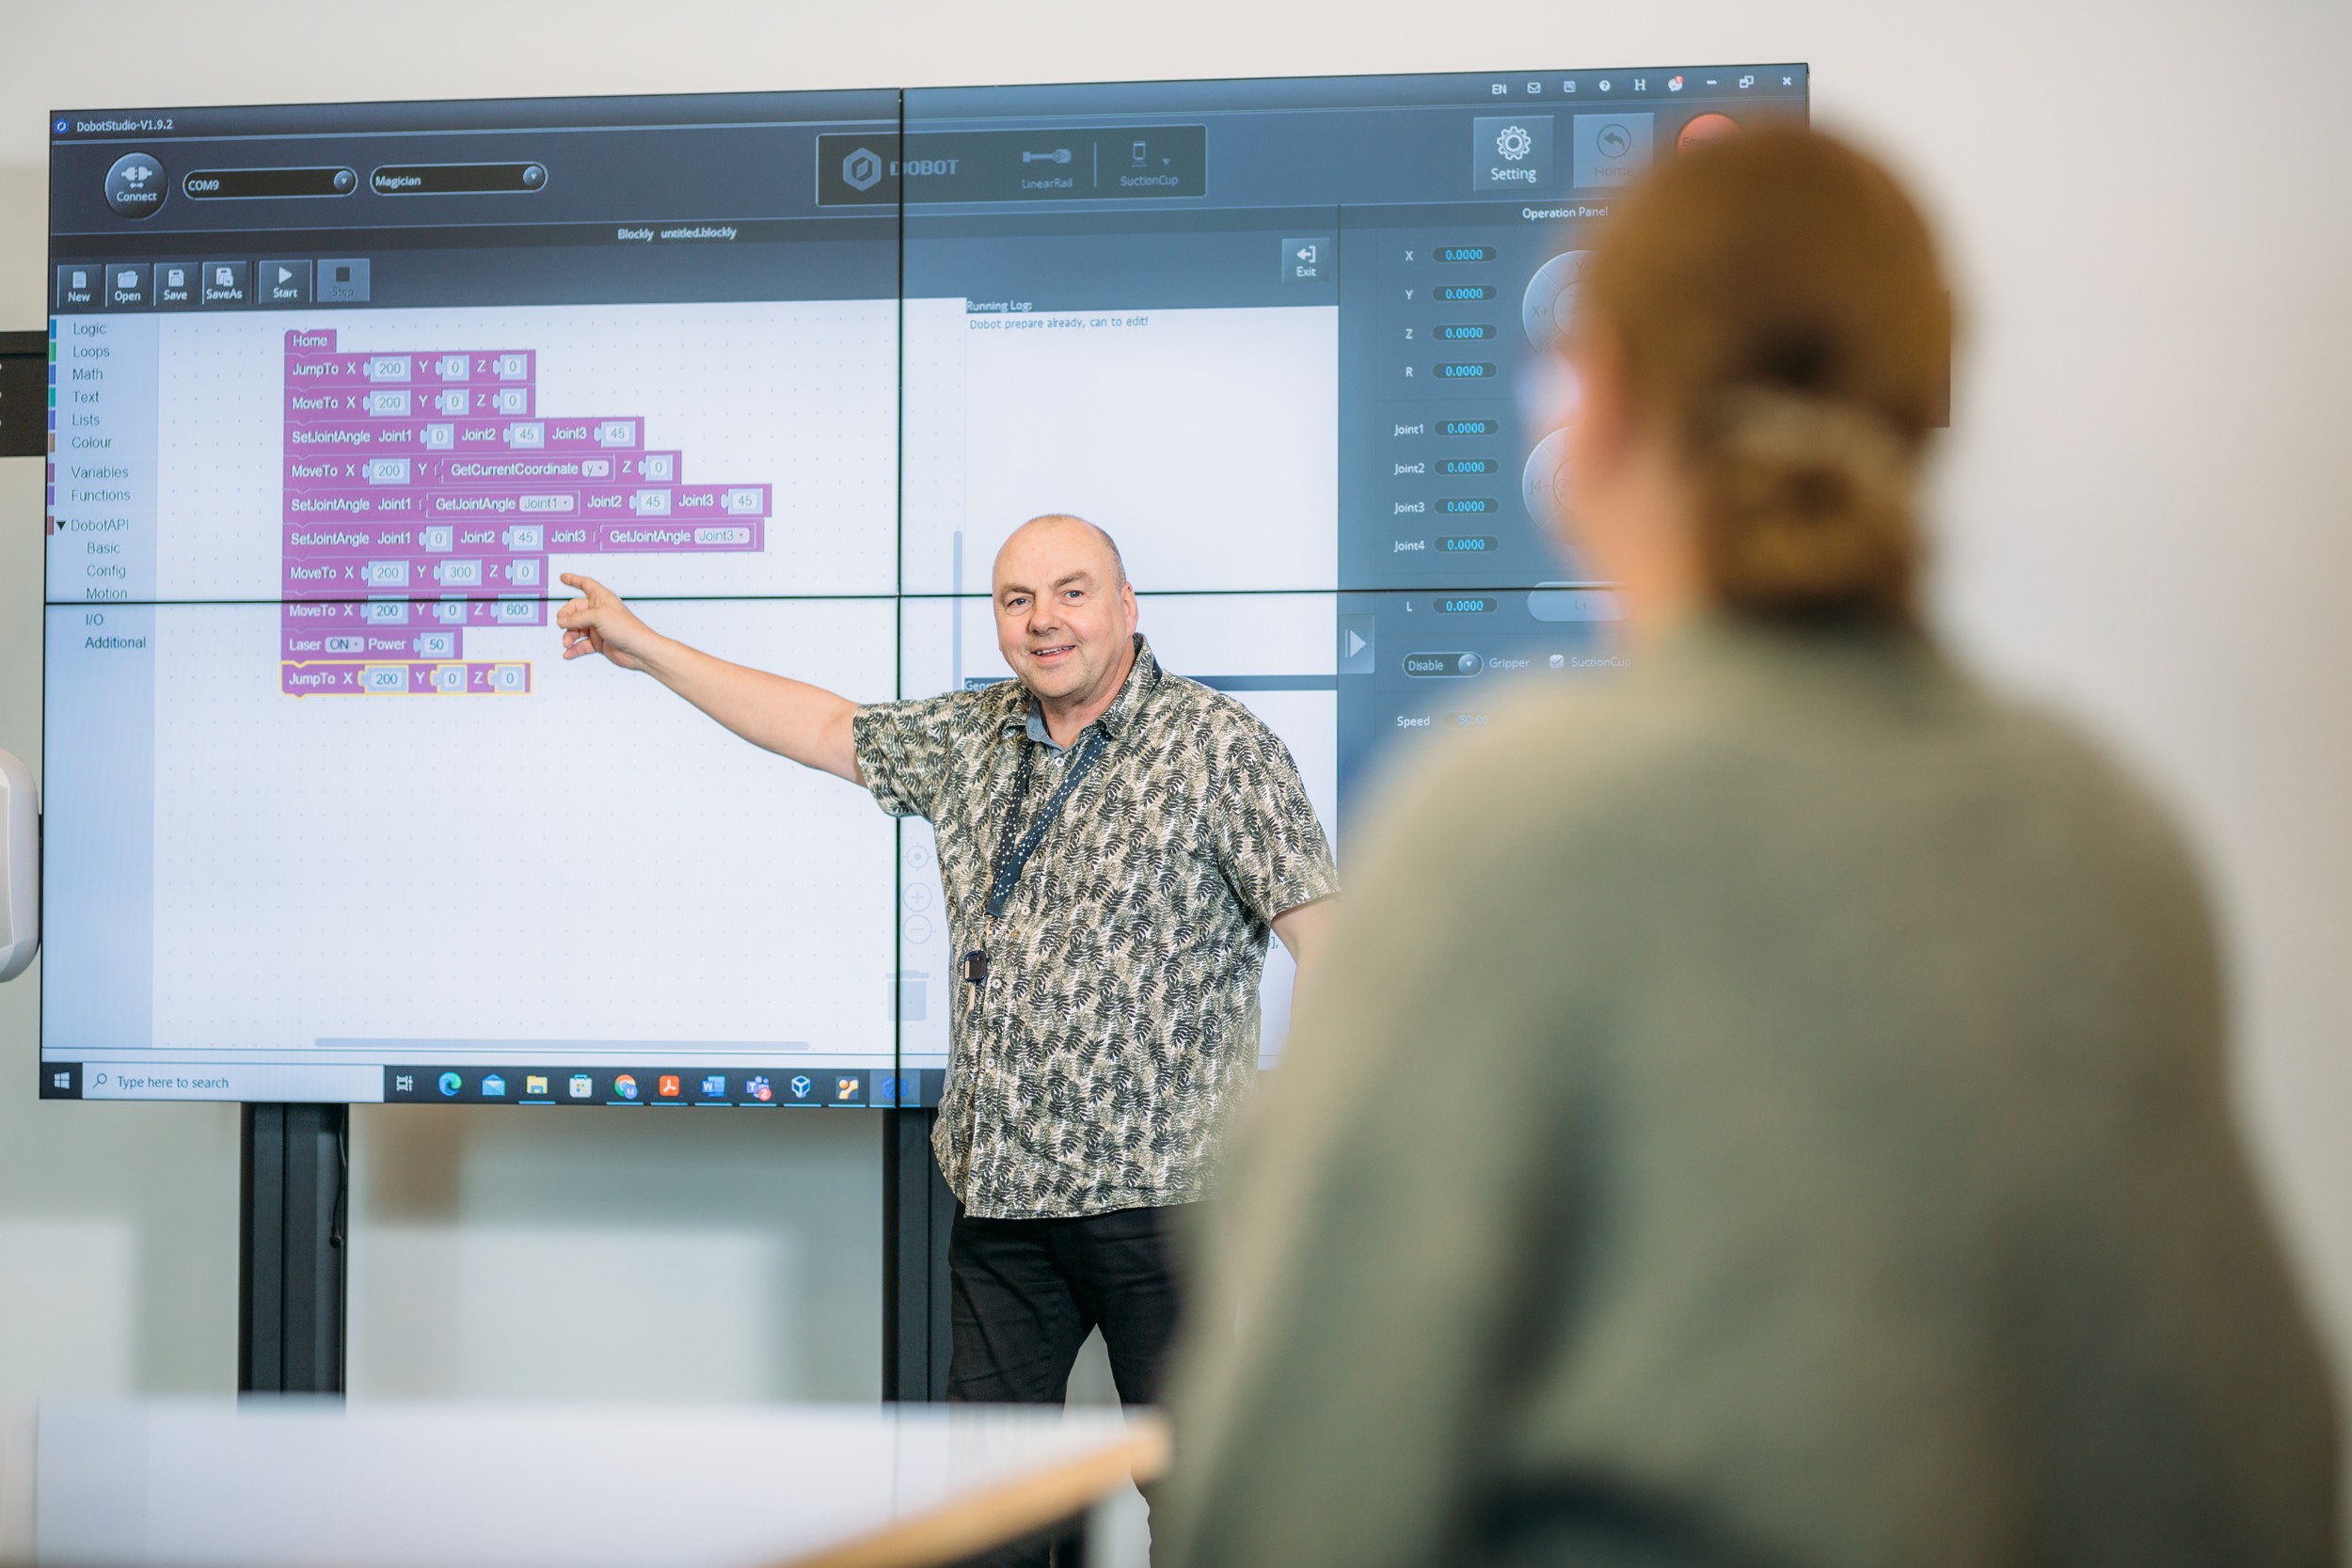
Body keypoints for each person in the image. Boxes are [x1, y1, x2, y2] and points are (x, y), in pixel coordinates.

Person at [1157, 129, 2338, 1568]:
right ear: (1924, 419)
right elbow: (2253, 1478)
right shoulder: (2105, 839)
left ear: (1590, 415)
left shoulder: (1510, 824)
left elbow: (1294, 1498)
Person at [557, 514, 1339, 1423]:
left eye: (1071, 593)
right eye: (1018, 600)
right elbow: (818, 723)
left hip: (1168, 1205)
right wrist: (646, 647)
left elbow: (1326, 942)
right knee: (982, 1503)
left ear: (1126, 606)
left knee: (1201, 1499)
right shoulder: (974, 735)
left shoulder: (1218, 744)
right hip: (1002, 1198)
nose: (1044, 619)